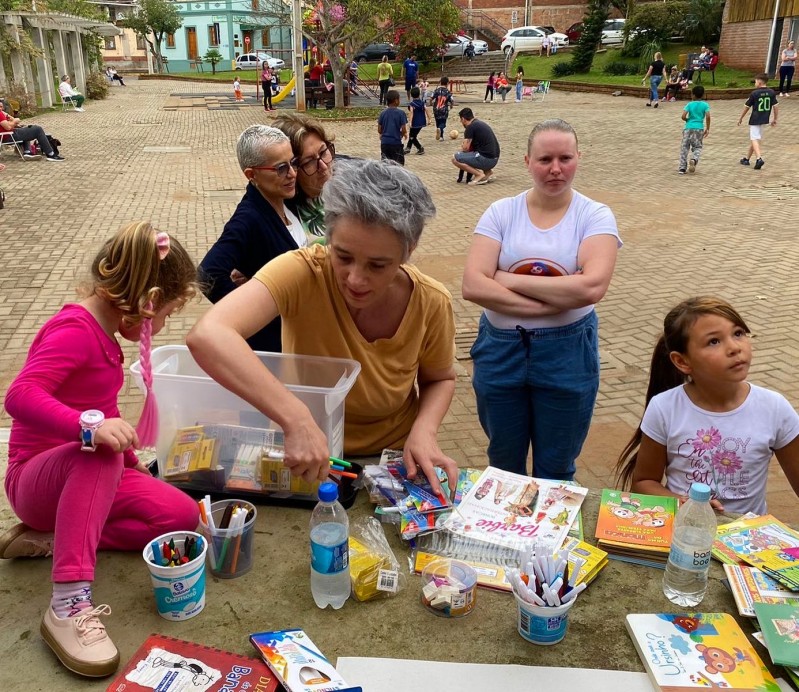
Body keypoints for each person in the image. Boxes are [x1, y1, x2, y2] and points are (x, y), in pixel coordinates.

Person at [187, 158, 459, 497]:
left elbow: (439, 378)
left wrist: (425, 431)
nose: (356, 279)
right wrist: (296, 419)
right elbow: (209, 335)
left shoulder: (430, 301)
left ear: (409, 250)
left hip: (389, 462)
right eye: (342, 256)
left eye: (378, 265)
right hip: (304, 457)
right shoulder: (301, 272)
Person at [0, 221, 200, 677]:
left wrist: (132, 463)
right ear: (146, 302)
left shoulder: (105, 336)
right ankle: (68, 605)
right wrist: (87, 430)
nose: (164, 323)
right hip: (35, 481)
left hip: (87, 473)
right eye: (166, 313)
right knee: (99, 455)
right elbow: (19, 396)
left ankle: (54, 540)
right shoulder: (74, 329)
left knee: (182, 521)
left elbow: (102, 407)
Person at [462, 119, 621, 480]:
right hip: (501, 351)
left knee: (556, 469)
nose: (555, 169)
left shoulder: (594, 215)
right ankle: (506, 533)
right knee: (504, 466)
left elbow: (592, 287)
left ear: (579, 158)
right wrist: (557, 301)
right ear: (526, 162)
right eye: (545, 159)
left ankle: (551, 536)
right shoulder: (501, 212)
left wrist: (502, 278)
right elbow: (472, 284)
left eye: (565, 158)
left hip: (567, 355)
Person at [614, 297, 799, 515]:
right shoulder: (665, 408)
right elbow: (644, 482)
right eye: (714, 341)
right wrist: (685, 504)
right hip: (685, 533)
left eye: (738, 333)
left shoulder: (774, 408)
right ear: (682, 361)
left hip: (746, 539)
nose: (734, 348)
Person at [199, 125, 306, 353]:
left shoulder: (285, 199)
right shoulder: (248, 218)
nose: (292, 173)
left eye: (293, 162)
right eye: (280, 168)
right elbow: (208, 273)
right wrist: (251, 307)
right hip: (275, 347)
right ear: (251, 175)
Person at [274, 112, 337, 242]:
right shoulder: (282, 216)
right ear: (292, 169)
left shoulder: (352, 187)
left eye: (323, 152)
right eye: (309, 162)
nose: (323, 167)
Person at [738, 72, 778, 170]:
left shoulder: (755, 93)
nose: (754, 83)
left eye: (755, 81)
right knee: (756, 138)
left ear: (759, 82)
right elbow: (775, 106)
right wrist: (775, 118)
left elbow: (746, 107)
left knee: (754, 139)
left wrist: (741, 117)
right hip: (765, 118)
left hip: (755, 119)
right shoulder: (771, 92)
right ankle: (747, 159)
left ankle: (759, 158)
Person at [0, 103, 65, 161]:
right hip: (8, 136)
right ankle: (51, 154)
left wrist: (7, 115)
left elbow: (10, 121)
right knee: (37, 129)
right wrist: (14, 121)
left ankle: (27, 152)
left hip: (6, 136)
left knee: (26, 129)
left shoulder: (1, 113)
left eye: (2, 107)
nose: (1, 108)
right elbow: (8, 127)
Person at [452, 107, 500, 186]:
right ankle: (488, 172)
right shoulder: (479, 123)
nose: (461, 122)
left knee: (455, 158)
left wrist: (463, 145)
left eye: (461, 120)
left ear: (463, 119)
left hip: (487, 159)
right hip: (494, 158)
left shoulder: (470, 127)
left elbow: (465, 148)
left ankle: (479, 175)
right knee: (472, 153)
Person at [678, 85, 710, 175]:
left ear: (692, 95)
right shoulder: (705, 105)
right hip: (699, 128)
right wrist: (708, 128)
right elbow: (708, 116)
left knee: (684, 147)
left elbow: (683, 116)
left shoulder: (689, 104)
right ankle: (694, 159)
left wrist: (687, 120)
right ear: (703, 95)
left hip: (688, 128)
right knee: (697, 147)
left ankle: (682, 168)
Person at [377, 90, 407, 165]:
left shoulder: (382, 113)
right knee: (398, 165)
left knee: (386, 165)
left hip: (384, 143)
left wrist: (382, 134)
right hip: (396, 143)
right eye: (399, 99)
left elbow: (379, 129)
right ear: (396, 100)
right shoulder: (401, 113)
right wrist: (402, 134)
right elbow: (403, 129)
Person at [405, 86, 430, 156]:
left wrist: (410, 122)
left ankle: (420, 148)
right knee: (412, 135)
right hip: (422, 122)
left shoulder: (412, 104)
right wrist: (429, 119)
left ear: (411, 95)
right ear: (419, 94)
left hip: (415, 123)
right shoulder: (422, 103)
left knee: (412, 137)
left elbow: (411, 113)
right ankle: (408, 148)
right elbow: (427, 110)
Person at [431, 76, 454, 142]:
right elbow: (452, 100)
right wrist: (451, 105)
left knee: (437, 121)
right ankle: (441, 135)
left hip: (436, 109)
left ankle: (440, 133)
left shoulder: (436, 90)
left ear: (440, 82)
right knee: (443, 122)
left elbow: (431, 98)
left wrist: (431, 103)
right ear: (447, 83)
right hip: (444, 109)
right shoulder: (448, 92)